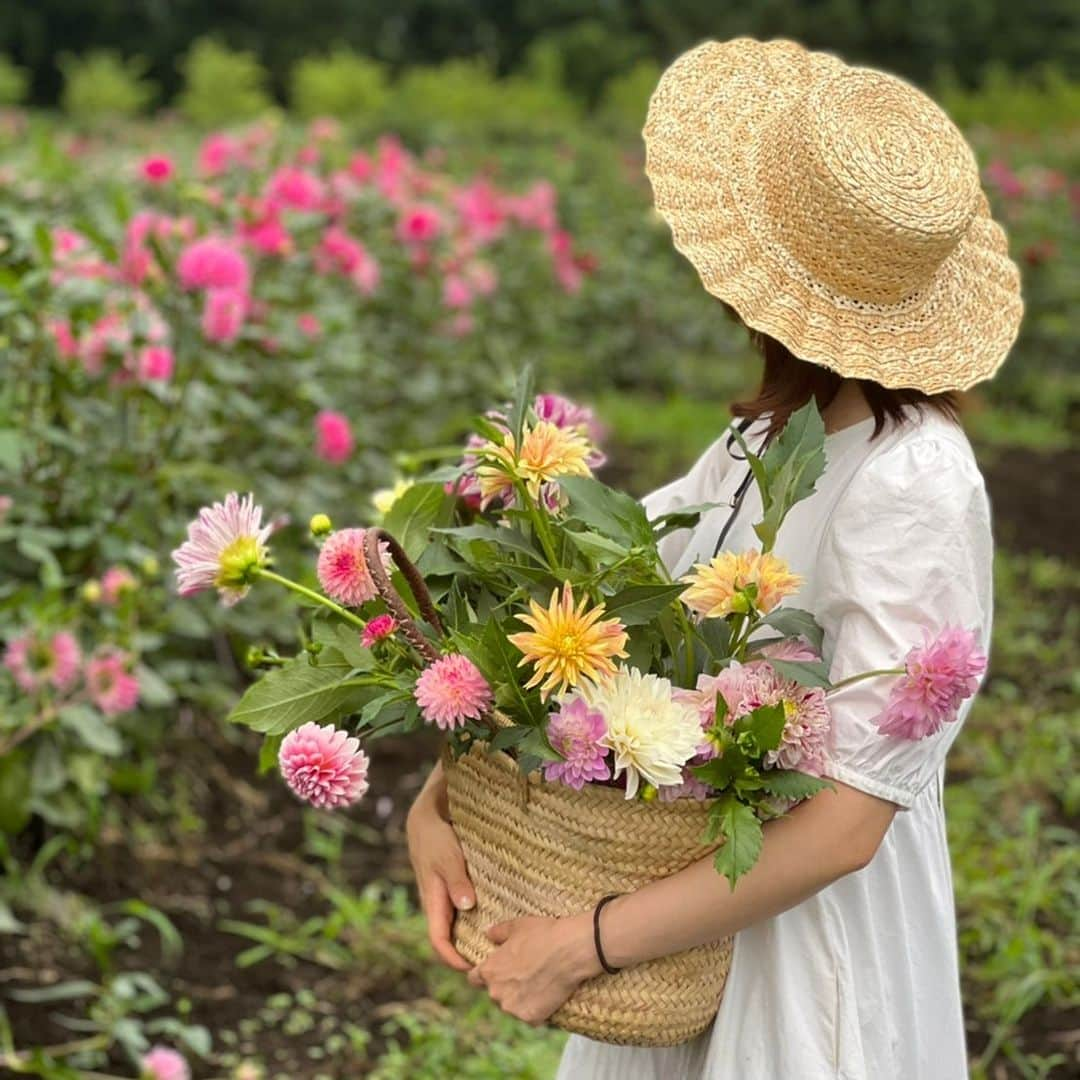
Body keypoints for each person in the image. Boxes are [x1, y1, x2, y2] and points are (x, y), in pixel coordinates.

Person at [406, 36, 1023, 1079]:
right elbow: (608, 597)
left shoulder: (912, 484)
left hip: (800, 947)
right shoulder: (767, 443)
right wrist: (442, 798)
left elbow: (844, 828)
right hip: (688, 907)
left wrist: (587, 942)